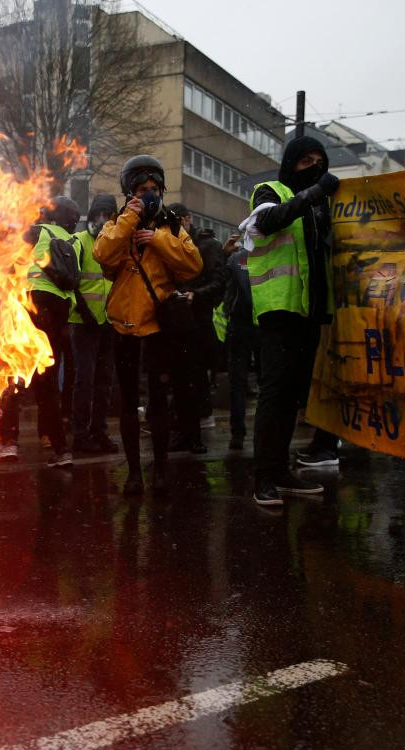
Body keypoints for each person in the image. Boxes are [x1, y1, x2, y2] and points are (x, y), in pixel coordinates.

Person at [93, 156, 204, 495]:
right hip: (124, 326)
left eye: (155, 189)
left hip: (159, 327)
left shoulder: (171, 226)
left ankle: (160, 470)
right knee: (128, 403)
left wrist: (156, 239)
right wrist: (130, 219)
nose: (150, 194)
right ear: (130, 192)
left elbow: (193, 265)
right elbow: (103, 254)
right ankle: (134, 474)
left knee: (158, 401)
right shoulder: (118, 223)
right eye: (142, 190)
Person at [241, 135, 340, 507]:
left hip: (310, 314)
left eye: (319, 160)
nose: (314, 166)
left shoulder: (322, 207)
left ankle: (280, 470)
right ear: (291, 164)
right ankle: (264, 477)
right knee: (275, 394)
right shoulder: (271, 190)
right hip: (279, 311)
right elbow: (266, 223)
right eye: (305, 161)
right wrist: (314, 193)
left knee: (292, 400)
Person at [0, 196, 81, 468]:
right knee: (48, 380)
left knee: (15, 373)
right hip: (60, 310)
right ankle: (60, 449)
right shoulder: (75, 241)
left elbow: (7, 255)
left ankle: (8, 443)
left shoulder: (39, 231)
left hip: (32, 304)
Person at [163, 204, 228, 455]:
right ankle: (185, 432)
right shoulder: (174, 244)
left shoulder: (206, 246)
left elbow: (218, 281)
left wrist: (195, 296)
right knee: (181, 380)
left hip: (198, 322)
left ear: (188, 219)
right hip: (178, 321)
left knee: (195, 378)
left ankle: (195, 433)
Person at [69, 194, 118, 456]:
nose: (103, 218)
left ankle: (99, 432)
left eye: (108, 214)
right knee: (84, 381)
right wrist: (83, 309)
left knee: (104, 381)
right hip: (83, 322)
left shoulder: (114, 244)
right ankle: (80, 435)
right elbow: (70, 280)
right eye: (100, 213)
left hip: (108, 321)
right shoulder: (79, 242)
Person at [222, 243, 257, 450]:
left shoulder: (236, 260)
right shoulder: (272, 254)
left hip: (239, 324)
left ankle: (238, 433)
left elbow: (227, 292)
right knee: (268, 381)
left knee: (238, 381)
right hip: (264, 323)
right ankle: (266, 433)